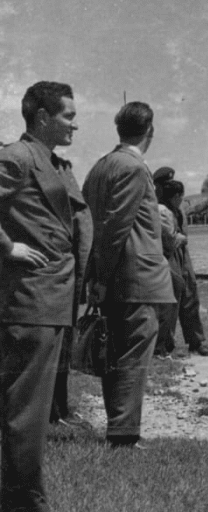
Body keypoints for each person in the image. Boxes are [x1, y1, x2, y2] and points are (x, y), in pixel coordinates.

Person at [0, 81, 91, 511]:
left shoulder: (53, 162)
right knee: (27, 410)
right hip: (31, 298)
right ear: (42, 117)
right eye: (68, 116)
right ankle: (22, 500)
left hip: (53, 296)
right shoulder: (18, 157)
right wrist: (7, 247)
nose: (75, 124)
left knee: (32, 409)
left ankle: (19, 493)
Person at [82, 102, 175, 448]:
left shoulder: (100, 167)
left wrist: (97, 276)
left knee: (116, 355)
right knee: (133, 356)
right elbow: (116, 227)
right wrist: (103, 277)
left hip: (114, 276)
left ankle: (119, 429)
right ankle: (124, 436)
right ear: (150, 131)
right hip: (136, 278)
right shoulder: (134, 168)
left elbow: (92, 225)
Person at [153, 170, 208, 358]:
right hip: (168, 257)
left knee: (191, 296)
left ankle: (196, 342)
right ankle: (164, 345)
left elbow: (196, 207)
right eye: (166, 184)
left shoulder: (179, 207)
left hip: (183, 257)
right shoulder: (157, 209)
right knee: (171, 302)